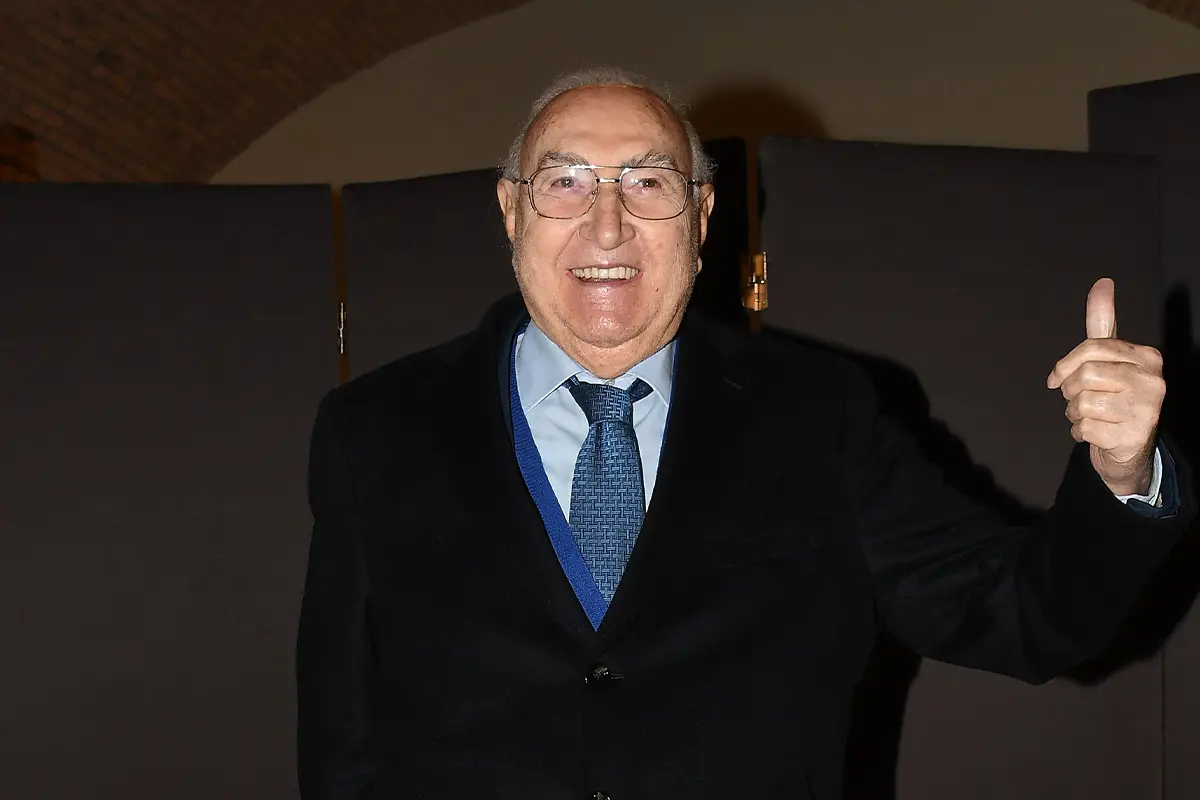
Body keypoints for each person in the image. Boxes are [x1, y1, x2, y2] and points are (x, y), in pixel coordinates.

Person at [296, 67, 1194, 800]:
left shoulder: (819, 413)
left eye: (648, 183)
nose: (606, 224)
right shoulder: (373, 430)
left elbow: (1025, 618)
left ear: (702, 217)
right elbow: (341, 741)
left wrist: (1122, 472)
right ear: (509, 210)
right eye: (565, 182)